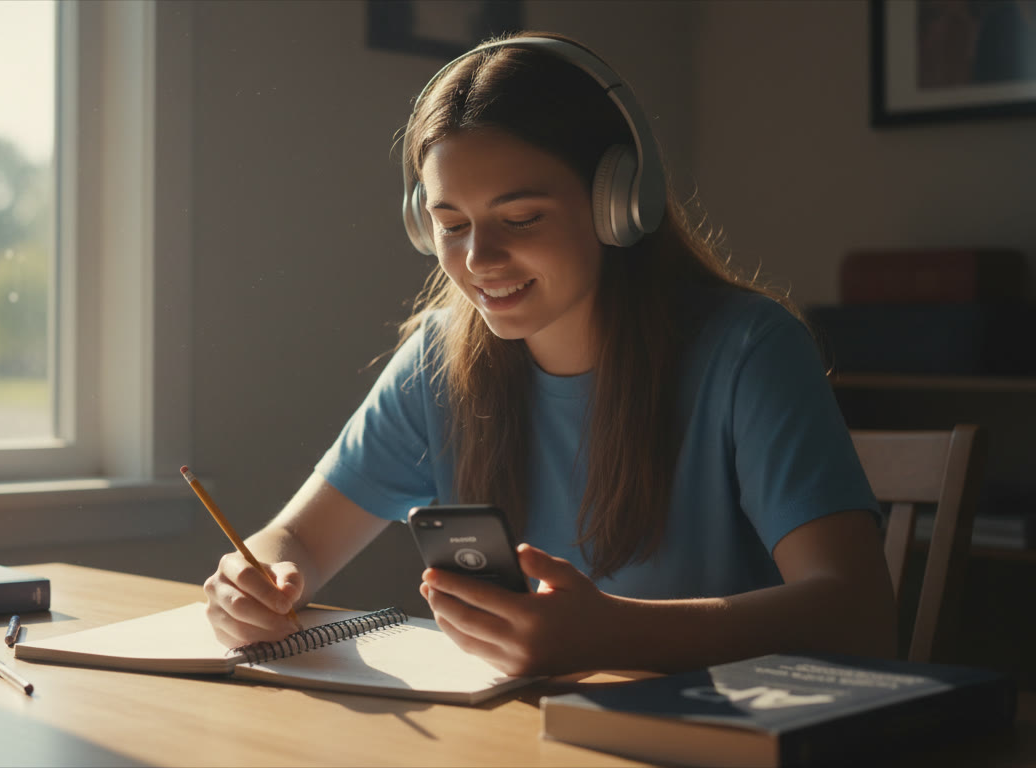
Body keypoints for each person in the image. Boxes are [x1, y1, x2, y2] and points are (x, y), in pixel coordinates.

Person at [203, 31, 896, 676]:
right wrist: (252, 583)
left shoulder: (749, 350)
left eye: (522, 218)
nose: (478, 259)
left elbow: (857, 614)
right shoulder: (439, 361)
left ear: (619, 203)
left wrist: (610, 633)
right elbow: (295, 542)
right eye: (450, 225)